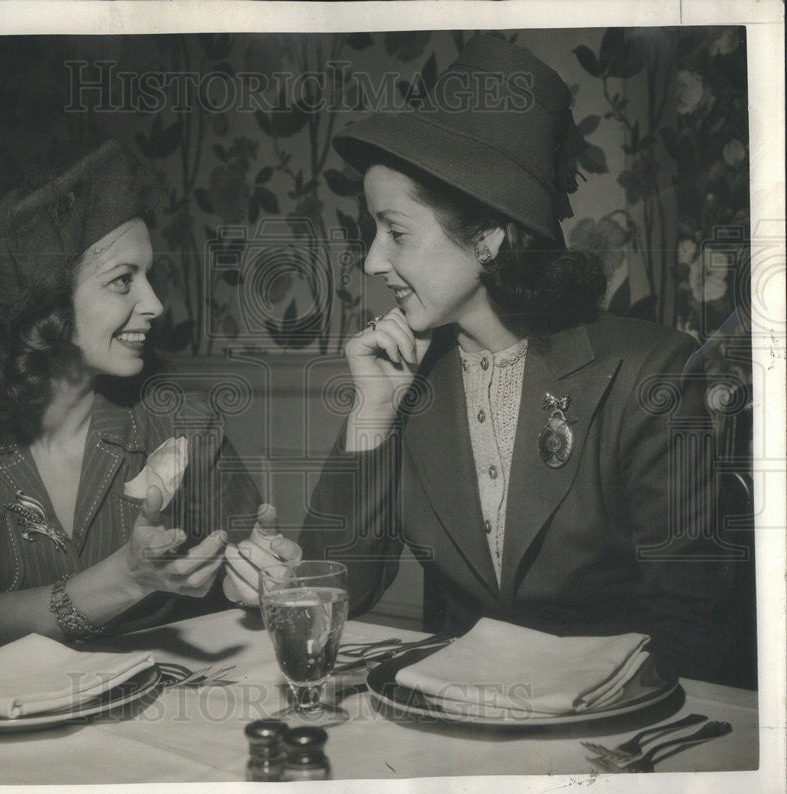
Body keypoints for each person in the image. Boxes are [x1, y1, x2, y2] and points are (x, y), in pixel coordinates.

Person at [299, 36, 739, 684]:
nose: (371, 262)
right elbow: (334, 599)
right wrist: (372, 413)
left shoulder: (650, 374)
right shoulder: (404, 382)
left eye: (395, 232)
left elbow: (696, 632)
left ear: (488, 236)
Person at [0, 140, 296, 652]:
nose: (155, 304)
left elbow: (252, 571)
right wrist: (129, 576)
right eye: (122, 281)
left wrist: (256, 579)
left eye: (149, 277)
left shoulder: (186, 424)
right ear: (46, 303)